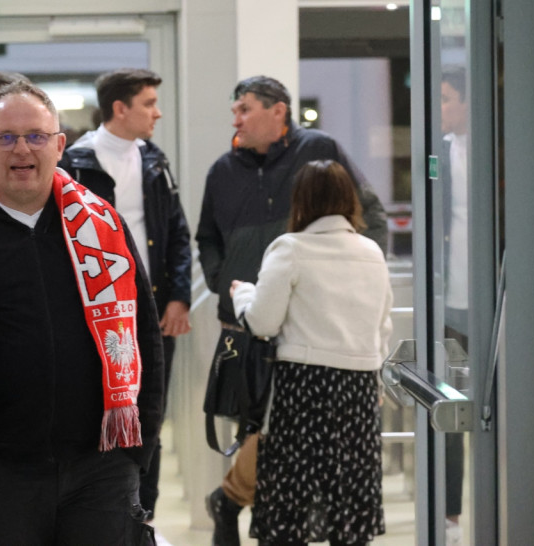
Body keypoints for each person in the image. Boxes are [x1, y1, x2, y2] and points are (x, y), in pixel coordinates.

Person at [0, 81, 165, 545]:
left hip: (102, 469)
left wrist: (138, 451)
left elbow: (144, 337)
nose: (21, 148)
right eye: (5, 137)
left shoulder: (104, 227)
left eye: (36, 135)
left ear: (60, 144)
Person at [196, 75, 387, 546]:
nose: (236, 119)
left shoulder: (318, 153)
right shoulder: (224, 170)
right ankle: (231, 499)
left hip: (297, 345)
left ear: (277, 110)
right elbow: (207, 238)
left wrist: (343, 276)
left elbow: (373, 216)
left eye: (244, 109)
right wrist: (227, 286)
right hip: (255, 330)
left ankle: (229, 498)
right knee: (257, 426)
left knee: (278, 447)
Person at [229, 159, 391, 545]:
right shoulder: (371, 252)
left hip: (304, 387)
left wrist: (243, 295)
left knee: (290, 503)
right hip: (359, 389)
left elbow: (263, 322)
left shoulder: (290, 248)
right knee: (349, 501)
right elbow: (382, 326)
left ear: (301, 199)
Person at [59, 67, 192, 520]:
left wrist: (179, 296)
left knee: (148, 414)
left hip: (150, 311)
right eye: (149, 103)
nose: (157, 113)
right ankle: (96, 512)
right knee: (97, 411)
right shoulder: (74, 163)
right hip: (93, 313)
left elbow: (177, 232)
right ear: (120, 108)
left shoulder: (155, 161)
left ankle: (141, 517)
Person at [440, 67, 469, 546]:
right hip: (448, 305)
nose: (439, 107)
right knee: (448, 402)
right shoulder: (439, 152)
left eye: (446, 99)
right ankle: (449, 513)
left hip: (491, 299)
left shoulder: (498, 149)